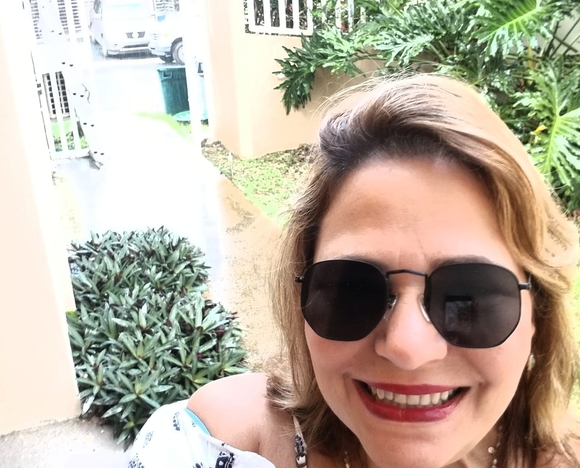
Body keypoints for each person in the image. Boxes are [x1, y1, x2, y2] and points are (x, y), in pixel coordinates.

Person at [128, 75, 580, 468]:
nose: (406, 347)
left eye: (469, 298)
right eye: (352, 291)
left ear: (538, 315)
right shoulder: (220, 444)